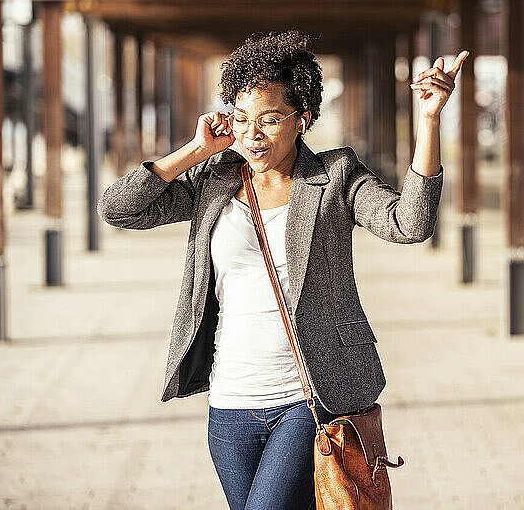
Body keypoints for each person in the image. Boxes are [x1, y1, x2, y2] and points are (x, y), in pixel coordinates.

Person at [97, 30, 468, 509]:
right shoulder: (213, 180)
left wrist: (429, 121)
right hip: (229, 406)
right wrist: (195, 150)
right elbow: (117, 208)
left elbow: (409, 223)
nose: (253, 134)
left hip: (307, 399)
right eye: (242, 118)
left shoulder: (334, 176)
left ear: (303, 119)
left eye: (270, 120)